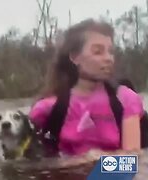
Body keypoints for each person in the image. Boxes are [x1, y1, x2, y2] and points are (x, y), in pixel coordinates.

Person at [28, 18, 145, 157]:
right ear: (75, 57)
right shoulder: (48, 109)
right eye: (98, 52)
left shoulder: (126, 99)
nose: (108, 58)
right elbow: (29, 163)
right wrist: (80, 163)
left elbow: (132, 164)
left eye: (110, 52)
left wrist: (96, 163)